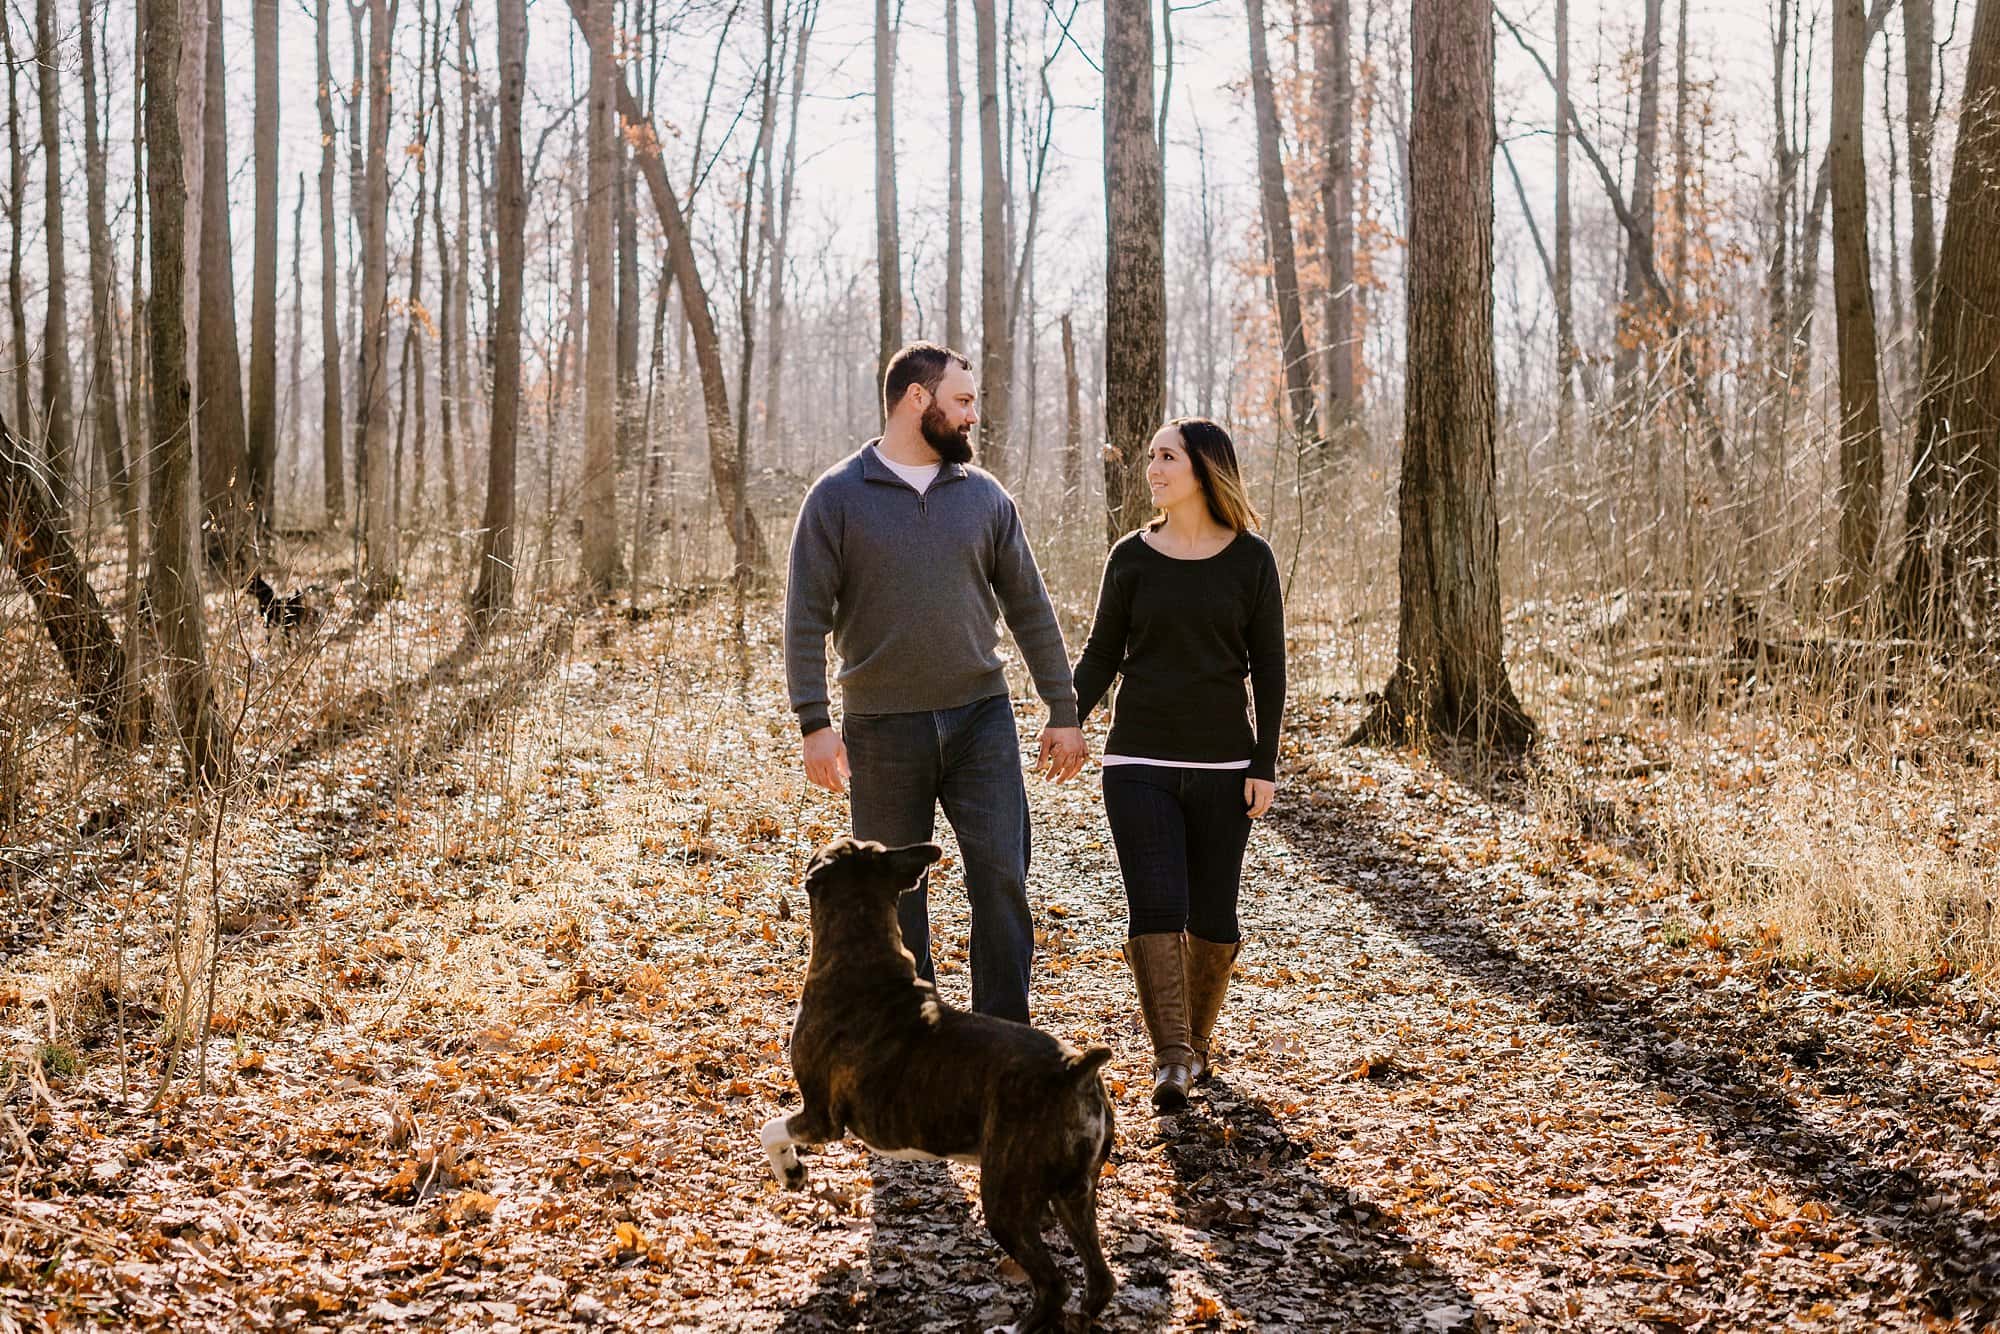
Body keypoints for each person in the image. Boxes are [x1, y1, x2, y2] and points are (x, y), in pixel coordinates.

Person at [784, 341, 1088, 1024]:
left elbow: (1030, 608)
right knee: (896, 898)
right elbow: (804, 618)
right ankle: (912, 1048)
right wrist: (814, 722)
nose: (973, 415)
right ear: (916, 400)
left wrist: (1062, 709)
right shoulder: (837, 498)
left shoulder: (984, 498)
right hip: (882, 729)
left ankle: (1005, 1043)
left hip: (981, 720)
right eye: (962, 401)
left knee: (1003, 882)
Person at [1072, 417, 1286, 1111]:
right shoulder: (1130, 557)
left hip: (1226, 766)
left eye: (1167, 456)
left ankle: (1195, 1045)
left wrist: (1265, 763)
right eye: (1151, 456)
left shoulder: (1251, 560)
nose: (1153, 468)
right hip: (1137, 761)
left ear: (1203, 468)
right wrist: (1064, 716)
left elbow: (1271, 672)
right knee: (1156, 904)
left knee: (1215, 918)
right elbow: (1103, 653)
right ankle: (1170, 1061)